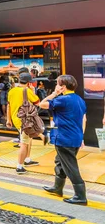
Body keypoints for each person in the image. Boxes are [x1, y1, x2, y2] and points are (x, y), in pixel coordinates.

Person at [40, 75, 87, 205]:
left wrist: (55, 93)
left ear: (63, 87)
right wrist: (81, 136)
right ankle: (57, 187)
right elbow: (84, 119)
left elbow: (42, 104)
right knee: (60, 162)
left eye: (58, 84)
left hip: (65, 137)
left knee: (70, 166)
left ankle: (80, 195)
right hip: (75, 136)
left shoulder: (63, 99)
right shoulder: (79, 100)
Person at [7, 72, 47, 174]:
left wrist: (8, 119)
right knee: (24, 143)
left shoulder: (11, 91)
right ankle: (19, 166)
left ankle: (27, 160)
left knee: (28, 139)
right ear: (29, 82)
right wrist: (33, 91)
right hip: (24, 120)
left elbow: (9, 106)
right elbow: (38, 103)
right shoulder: (27, 91)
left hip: (16, 119)